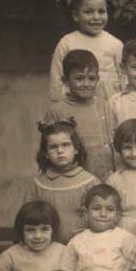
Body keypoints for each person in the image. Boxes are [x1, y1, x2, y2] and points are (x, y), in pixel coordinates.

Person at [24, 119, 100, 243]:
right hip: (47, 247)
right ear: (46, 154)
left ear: (76, 149)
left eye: (65, 145)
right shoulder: (38, 185)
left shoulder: (90, 182)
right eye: (53, 147)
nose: (60, 151)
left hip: (83, 247)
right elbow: (27, 219)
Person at [44, 49, 115, 180]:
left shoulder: (105, 105)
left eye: (92, 78)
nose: (86, 84)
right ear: (65, 81)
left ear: (98, 79)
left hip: (107, 177)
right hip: (75, 178)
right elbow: (48, 148)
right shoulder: (57, 110)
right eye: (79, 78)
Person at [49, 0, 123, 101]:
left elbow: (124, 78)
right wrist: (60, 103)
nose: (96, 17)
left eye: (101, 11)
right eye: (88, 12)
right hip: (75, 106)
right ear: (76, 16)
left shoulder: (115, 44)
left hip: (108, 106)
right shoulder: (67, 43)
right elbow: (56, 78)